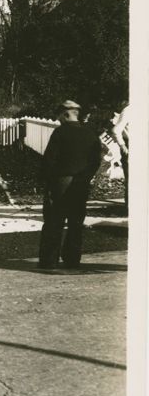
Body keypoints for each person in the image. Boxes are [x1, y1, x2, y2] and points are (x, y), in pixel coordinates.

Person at [38, 99, 104, 270]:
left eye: (59, 116)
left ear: (65, 114)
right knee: (75, 222)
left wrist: (46, 179)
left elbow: (49, 160)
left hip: (60, 181)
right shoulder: (90, 133)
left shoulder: (60, 133)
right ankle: (72, 259)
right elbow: (96, 161)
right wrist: (86, 177)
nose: (58, 119)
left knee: (54, 221)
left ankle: (49, 261)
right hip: (81, 183)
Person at [110, 102, 130, 213]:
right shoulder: (129, 110)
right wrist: (123, 146)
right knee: (133, 181)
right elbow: (116, 130)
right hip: (132, 146)